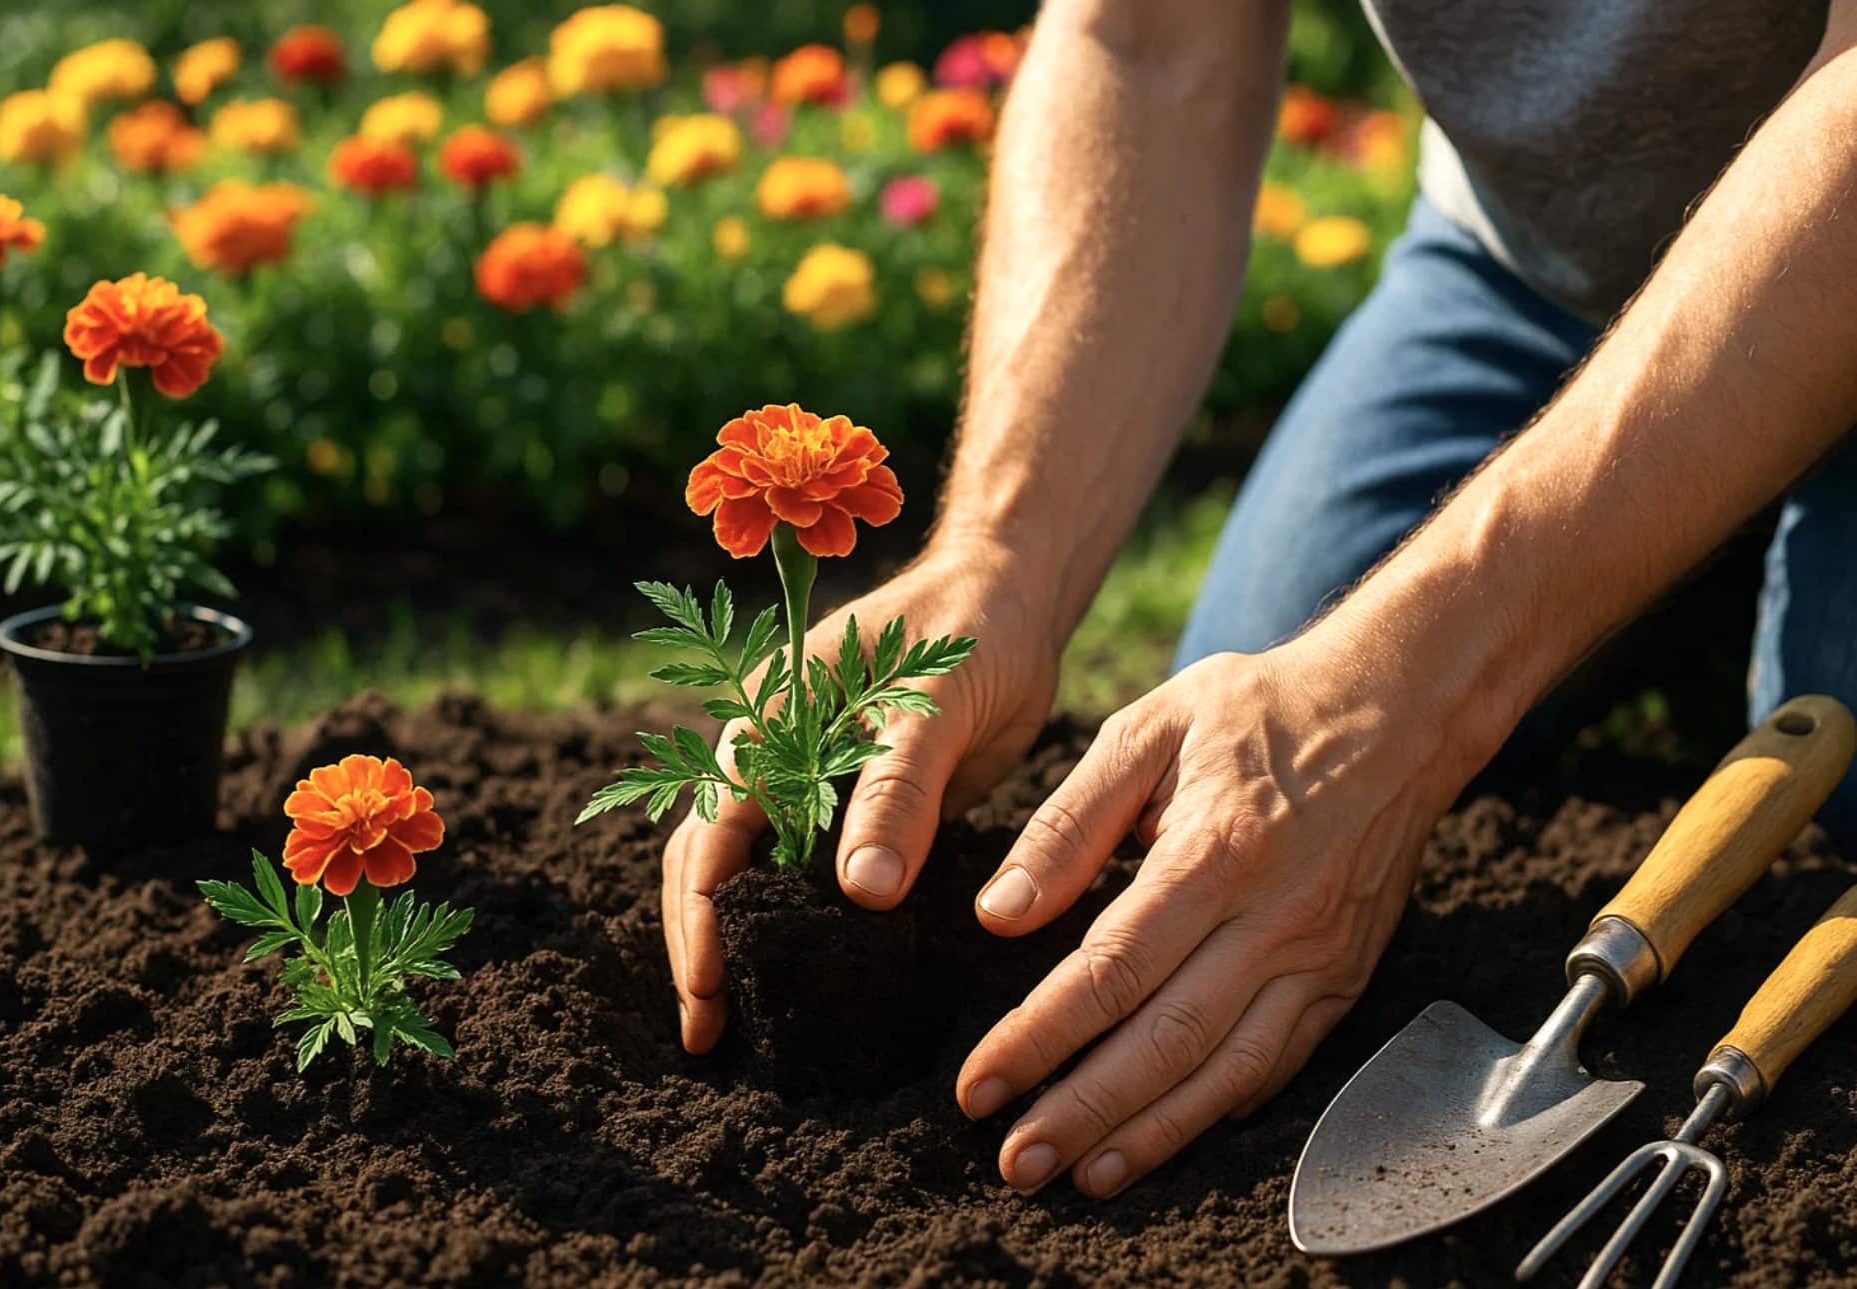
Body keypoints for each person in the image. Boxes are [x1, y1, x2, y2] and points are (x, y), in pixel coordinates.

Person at [662, 0, 1857, 1200]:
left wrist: (1414, 689)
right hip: (1532, 269)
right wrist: (1003, 552)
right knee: (1238, 787)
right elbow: (1149, 38)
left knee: (1834, 761)